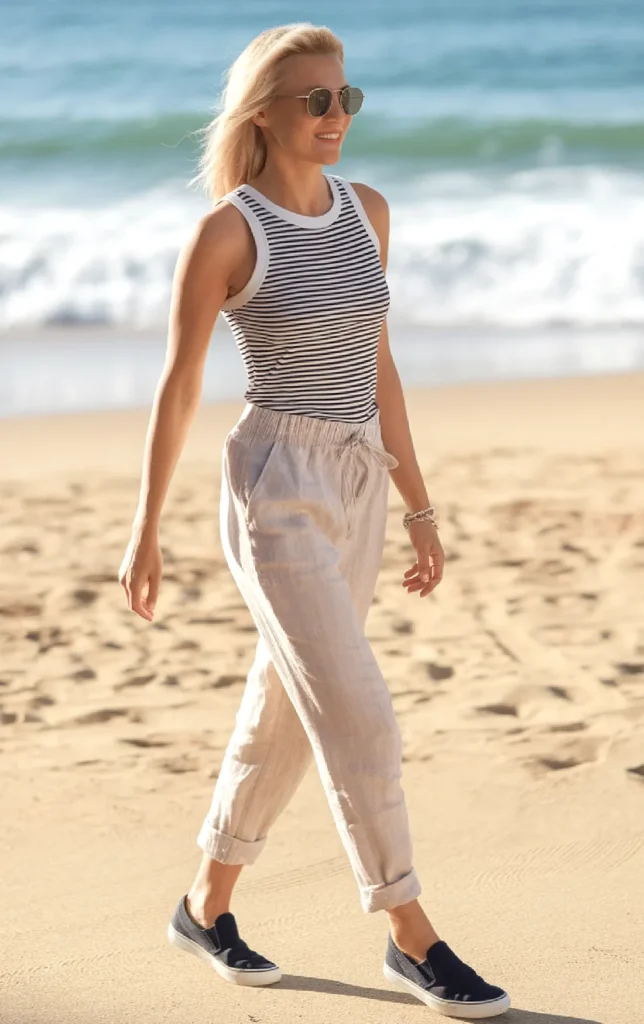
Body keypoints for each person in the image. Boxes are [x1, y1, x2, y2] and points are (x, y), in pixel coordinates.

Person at [118, 22, 510, 1019]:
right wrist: (144, 526)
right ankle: (409, 935)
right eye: (316, 101)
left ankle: (205, 906)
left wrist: (418, 500)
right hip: (273, 481)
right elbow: (178, 387)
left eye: (347, 98)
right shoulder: (227, 232)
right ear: (265, 115)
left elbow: (377, 367)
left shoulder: (366, 212)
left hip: (357, 477)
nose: (337, 116)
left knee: (287, 703)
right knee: (357, 710)